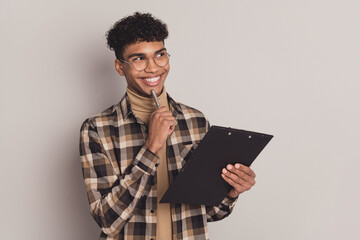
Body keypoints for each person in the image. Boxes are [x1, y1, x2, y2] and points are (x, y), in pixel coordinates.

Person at [79, 12, 256, 240]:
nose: (153, 68)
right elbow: (107, 220)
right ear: (120, 67)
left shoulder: (195, 121)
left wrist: (231, 191)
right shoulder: (97, 129)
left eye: (160, 55)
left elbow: (209, 212)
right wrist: (151, 146)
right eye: (139, 59)